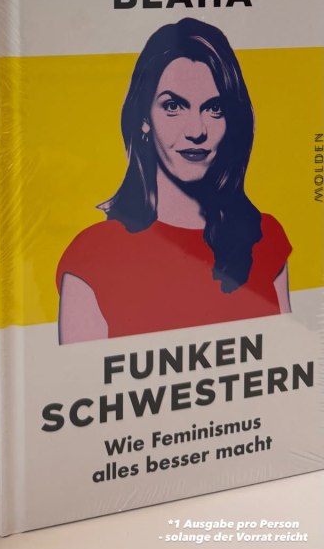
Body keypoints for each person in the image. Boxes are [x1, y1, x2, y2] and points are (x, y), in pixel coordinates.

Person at [57, 17, 292, 344]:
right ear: (144, 118)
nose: (196, 131)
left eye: (214, 108)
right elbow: (81, 376)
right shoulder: (92, 256)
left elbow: (282, 357)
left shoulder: (264, 236)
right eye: (173, 106)